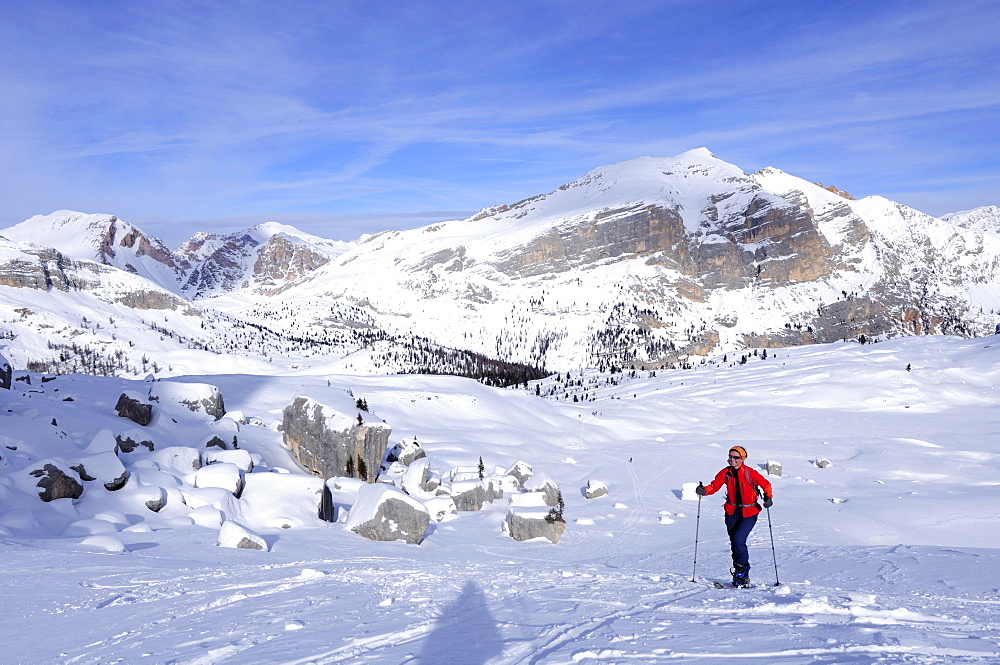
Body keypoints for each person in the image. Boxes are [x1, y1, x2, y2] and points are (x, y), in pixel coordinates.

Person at [695, 446, 773, 587]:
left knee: (738, 541)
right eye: (730, 456)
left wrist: (768, 497)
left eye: (735, 457)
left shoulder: (750, 473)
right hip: (731, 512)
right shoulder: (726, 472)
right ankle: (738, 573)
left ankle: (744, 573)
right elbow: (714, 486)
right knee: (734, 543)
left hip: (749, 512)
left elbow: (766, 484)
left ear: (742, 459)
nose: (732, 459)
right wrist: (704, 490)